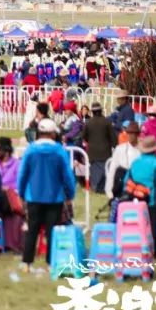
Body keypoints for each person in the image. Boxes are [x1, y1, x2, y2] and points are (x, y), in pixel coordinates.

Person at [17, 120, 76, 270]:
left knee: (32, 230)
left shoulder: (30, 150)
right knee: (52, 232)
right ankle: (51, 263)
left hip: (33, 196)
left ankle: (27, 262)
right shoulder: (59, 151)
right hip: (54, 197)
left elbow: (23, 174)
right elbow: (67, 175)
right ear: (52, 133)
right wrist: (70, 193)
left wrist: (21, 193)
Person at [125, 136, 156, 255]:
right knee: (152, 227)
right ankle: (151, 251)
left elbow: (127, 180)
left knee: (137, 226)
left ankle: (136, 248)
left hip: (134, 199)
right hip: (151, 201)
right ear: (155, 150)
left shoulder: (135, 162)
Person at [81, 101, 115, 194]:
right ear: (101, 111)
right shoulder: (107, 122)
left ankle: (94, 187)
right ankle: (104, 188)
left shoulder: (89, 123)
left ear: (92, 111)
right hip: (106, 152)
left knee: (94, 171)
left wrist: (90, 141)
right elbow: (113, 137)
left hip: (93, 152)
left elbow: (83, 136)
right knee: (105, 171)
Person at [105, 123, 142, 198]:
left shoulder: (143, 150)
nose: (130, 136)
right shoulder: (120, 149)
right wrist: (109, 190)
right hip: (121, 184)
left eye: (132, 133)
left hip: (138, 185)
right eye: (128, 133)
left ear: (138, 134)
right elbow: (112, 170)